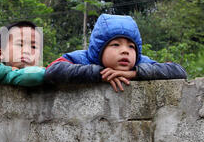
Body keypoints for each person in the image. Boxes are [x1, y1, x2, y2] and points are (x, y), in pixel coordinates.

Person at [44, 14, 187, 92]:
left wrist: (134, 73)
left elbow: (178, 71)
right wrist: (99, 74)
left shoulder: (140, 63)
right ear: (99, 48)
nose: (125, 50)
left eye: (131, 47)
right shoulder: (83, 58)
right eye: (116, 44)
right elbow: (53, 70)